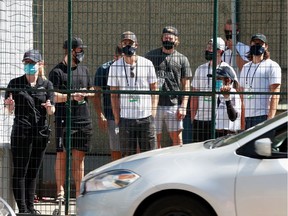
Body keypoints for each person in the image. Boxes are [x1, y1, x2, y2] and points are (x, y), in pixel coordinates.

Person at [4, 49, 55, 214]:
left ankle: (31, 208)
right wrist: (9, 105)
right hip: (21, 133)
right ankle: (23, 209)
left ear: (40, 64)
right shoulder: (15, 83)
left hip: (39, 134)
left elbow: (52, 109)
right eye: (26, 63)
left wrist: (49, 108)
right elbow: (9, 109)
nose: (29, 66)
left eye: (32, 63)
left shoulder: (46, 85)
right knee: (20, 170)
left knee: (33, 171)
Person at [49, 37, 94, 199]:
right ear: (69, 51)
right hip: (63, 119)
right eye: (79, 50)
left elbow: (92, 90)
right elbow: (53, 95)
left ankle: (78, 192)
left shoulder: (84, 70)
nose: (82, 53)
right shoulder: (57, 72)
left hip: (83, 119)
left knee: (79, 157)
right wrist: (71, 97)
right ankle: (60, 192)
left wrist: (86, 93)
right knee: (62, 155)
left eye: (82, 50)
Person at [108, 31, 158, 156]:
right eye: (124, 43)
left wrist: (153, 112)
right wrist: (117, 117)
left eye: (130, 43)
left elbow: (154, 89)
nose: (127, 46)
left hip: (145, 117)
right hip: (126, 119)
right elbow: (113, 94)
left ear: (136, 45)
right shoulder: (115, 66)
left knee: (148, 155)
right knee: (127, 156)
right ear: (120, 45)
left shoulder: (147, 64)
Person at [145, 26, 192, 148]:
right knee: (155, 139)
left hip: (173, 104)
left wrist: (184, 106)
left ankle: (179, 163)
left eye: (171, 38)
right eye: (165, 37)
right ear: (161, 38)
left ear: (176, 40)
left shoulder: (182, 59)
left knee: (177, 138)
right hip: (154, 105)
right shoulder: (150, 56)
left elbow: (186, 84)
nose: (168, 39)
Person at [191, 37, 237, 142]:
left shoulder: (228, 70)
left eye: (211, 47)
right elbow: (194, 95)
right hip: (200, 119)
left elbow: (234, 95)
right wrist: (193, 117)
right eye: (207, 46)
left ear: (220, 51)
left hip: (218, 121)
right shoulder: (200, 69)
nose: (207, 49)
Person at [239, 33, 281, 129]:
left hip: (262, 116)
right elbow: (241, 96)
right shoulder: (245, 67)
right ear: (250, 45)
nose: (257, 45)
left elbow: (275, 94)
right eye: (254, 43)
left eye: (260, 44)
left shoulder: (272, 66)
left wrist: (270, 118)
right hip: (247, 116)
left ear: (266, 46)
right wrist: (242, 121)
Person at [93, 46, 123, 161]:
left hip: (131, 115)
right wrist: (101, 115)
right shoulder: (104, 69)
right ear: (115, 57)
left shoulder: (134, 66)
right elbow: (96, 94)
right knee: (116, 149)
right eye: (122, 58)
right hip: (111, 115)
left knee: (133, 149)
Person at [215, 66, 241, 137]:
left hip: (228, 133)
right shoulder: (218, 93)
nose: (216, 81)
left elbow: (233, 117)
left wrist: (227, 99)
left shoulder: (233, 93)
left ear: (228, 80)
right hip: (218, 131)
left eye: (219, 78)